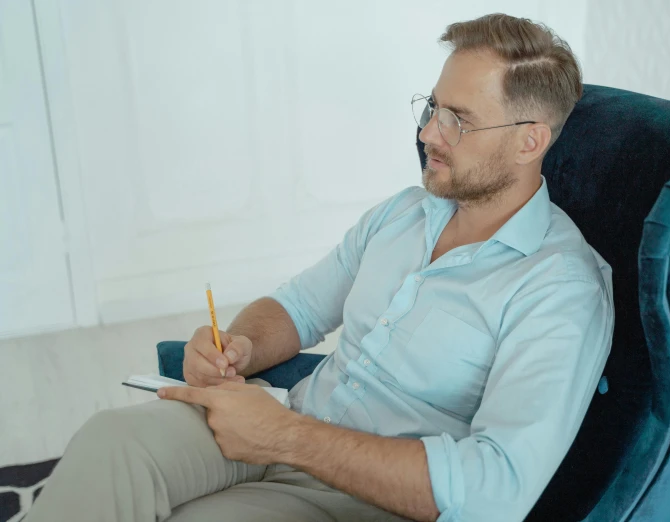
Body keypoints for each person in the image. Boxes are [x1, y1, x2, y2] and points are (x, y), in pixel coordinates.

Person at [27, 13, 613, 522]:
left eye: (458, 119)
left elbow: (495, 492)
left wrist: (287, 438)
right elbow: (301, 306)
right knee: (111, 444)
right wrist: (240, 348)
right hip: (282, 424)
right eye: (432, 107)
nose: (427, 132)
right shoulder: (408, 213)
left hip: (363, 496)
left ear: (529, 141)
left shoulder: (559, 289)